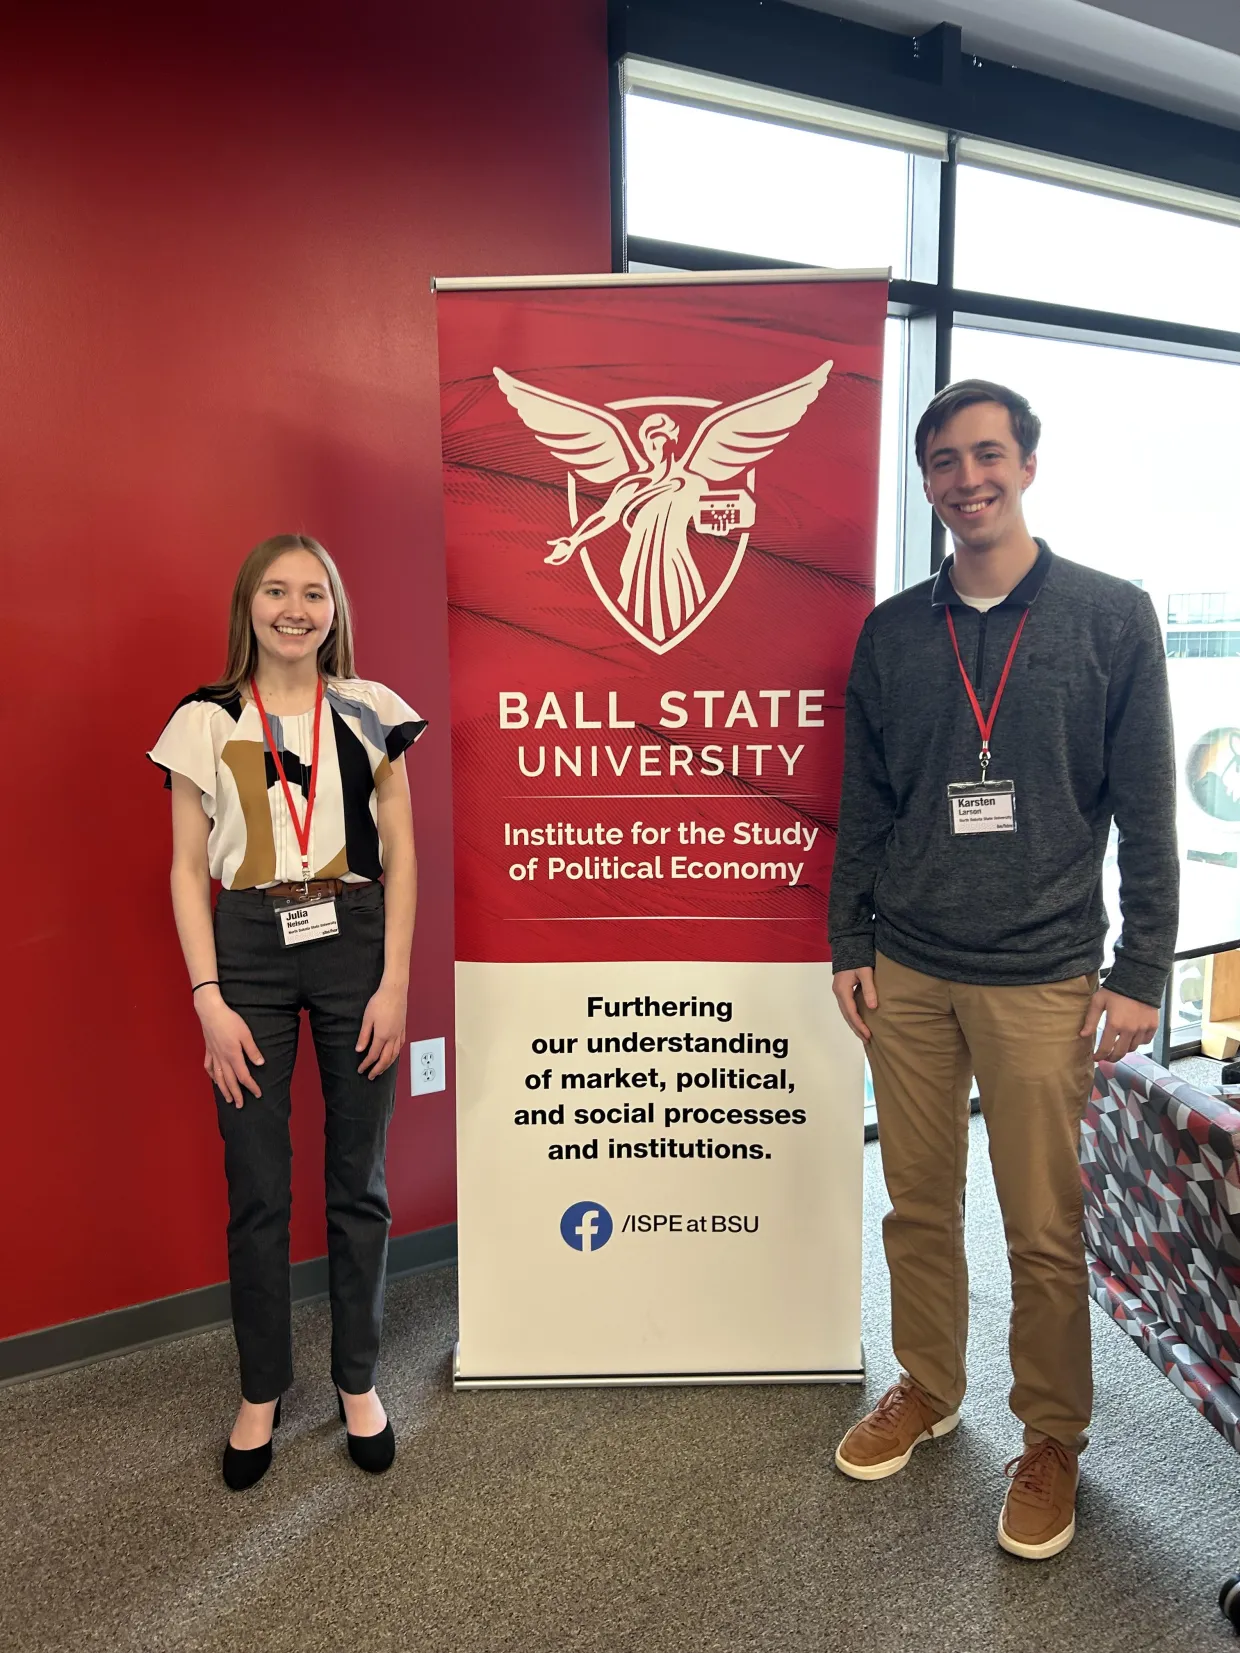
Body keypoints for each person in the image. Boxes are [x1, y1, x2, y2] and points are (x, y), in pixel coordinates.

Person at [827, 380, 1178, 1559]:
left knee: (1039, 1221)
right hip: (911, 967)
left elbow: (1145, 808)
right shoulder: (890, 633)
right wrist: (849, 940)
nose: (965, 479)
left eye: (986, 455)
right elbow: (863, 804)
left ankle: (1052, 1436)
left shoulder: (1108, 615)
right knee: (916, 1203)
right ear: (924, 482)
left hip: (1041, 974)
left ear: (1026, 463)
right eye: (942, 462)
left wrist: (1141, 969)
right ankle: (928, 1386)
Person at [148, 533, 426, 1491]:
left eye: (315, 592)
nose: (296, 608)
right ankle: (261, 1389)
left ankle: (358, 1382)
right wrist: (207, 1000)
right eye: (277, 590)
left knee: (360, 1180)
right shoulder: (204, 718)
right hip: (248, 955)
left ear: (335, 608)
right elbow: (188, 868)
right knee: (259, 1187)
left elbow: (403, 855)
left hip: (355, 941)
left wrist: (394, 982)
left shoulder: (373, 712)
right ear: (249, 604)